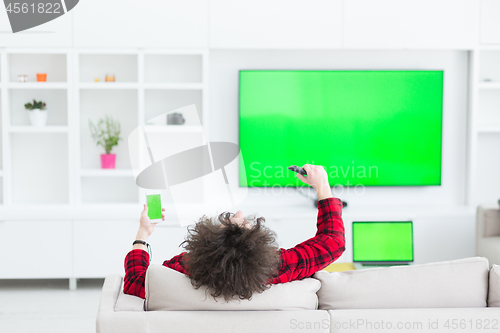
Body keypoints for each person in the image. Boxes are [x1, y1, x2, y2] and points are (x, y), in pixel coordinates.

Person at [124, 164, 345, 300]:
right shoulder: (276, 269)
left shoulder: (182, 268)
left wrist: (143, 232)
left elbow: (135, 282)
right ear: (258, 248)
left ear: (206, 243)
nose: (239, 211)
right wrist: (322, 186)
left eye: (232, 219)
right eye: (242, 220)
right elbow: (332, 242)